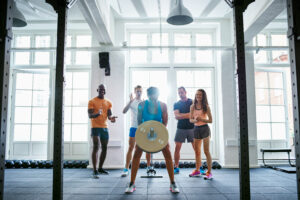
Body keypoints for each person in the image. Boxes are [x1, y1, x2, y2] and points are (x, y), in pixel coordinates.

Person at [125, 87, 180, 193]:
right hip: (145, 133)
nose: (153, 97)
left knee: (168, 153)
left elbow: (164, 123)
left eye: (155, 95)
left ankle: (172, 183)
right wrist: (144, 136)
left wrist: (158, 136)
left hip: (159, 133)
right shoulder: (141, 105)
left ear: (158, 94)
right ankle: (132, 183)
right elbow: (139, 122)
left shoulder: (163, 105)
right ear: (148, 95)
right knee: (136, 154)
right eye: (151, 95)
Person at [88, 84, 117, 179]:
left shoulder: (108, 102)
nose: (102, 91)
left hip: (104, 127)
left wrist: (112, 119)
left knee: (104, 148)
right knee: (96, 147)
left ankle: (100, 168)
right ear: (97, 90)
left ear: (105, 91)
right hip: (95, 127)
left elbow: (109, 116)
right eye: (100, 89)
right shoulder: (92, 101)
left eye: (103, 90)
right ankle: (95, 170)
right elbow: (90, 115)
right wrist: (97, 114)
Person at [121, 85, 151, 177]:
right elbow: (124, 111)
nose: (139, 92)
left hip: (143, 127)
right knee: (131, 147)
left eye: (140, 91)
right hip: (134, 127)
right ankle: (126, 168)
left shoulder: (145, 102)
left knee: (147, 148)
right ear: (134, 92)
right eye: (137, 91)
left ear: (142, 92)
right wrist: (130, 101)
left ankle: (148, 167)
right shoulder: (132, 102)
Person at [189, 89, 213, 180]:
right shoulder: (192, 106)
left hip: (205, 129)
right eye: (196, 95)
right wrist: (195, 120)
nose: (198, 96)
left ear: (203, 96)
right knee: (197, 152)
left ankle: (209, 172)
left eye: (200, 95)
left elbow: (211, 120)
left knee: (206, 151)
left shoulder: (206, 106)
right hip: (196, 129)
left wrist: (202, 119)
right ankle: (197, 170)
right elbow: (190, 119)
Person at [173, 87, 196, 174]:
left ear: (185, 92)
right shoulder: (176, 104)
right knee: (177, 148)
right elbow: (176, 116)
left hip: (192, 128)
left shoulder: (192, 102)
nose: (180, 94)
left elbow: (194, 114)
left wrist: (181, 115)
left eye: (182, 92)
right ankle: (176, 166)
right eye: (179, 93)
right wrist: (189, 115)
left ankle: (199, 166)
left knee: (196, 148)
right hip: (181, 128)